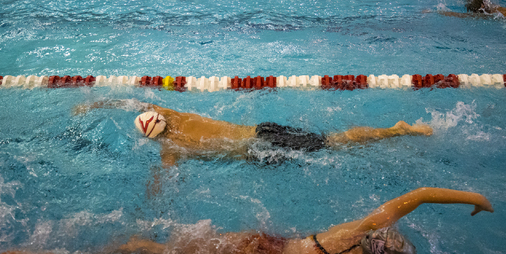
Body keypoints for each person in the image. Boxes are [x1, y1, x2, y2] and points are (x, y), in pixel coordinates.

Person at [0, 187, 493, 254]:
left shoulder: (353, 231)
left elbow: (420, 194)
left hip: (256, 244)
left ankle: (122, 242)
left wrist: (473, 195)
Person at [72, 101, 433, 166]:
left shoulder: (172, 149)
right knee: (332, 140)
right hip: (262, 128)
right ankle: (391, 131)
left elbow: (163, 181)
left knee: (336, 146)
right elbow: (131, 99)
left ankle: (394, 131)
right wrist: (96, 104)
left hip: (259, 149)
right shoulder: (173, 113)